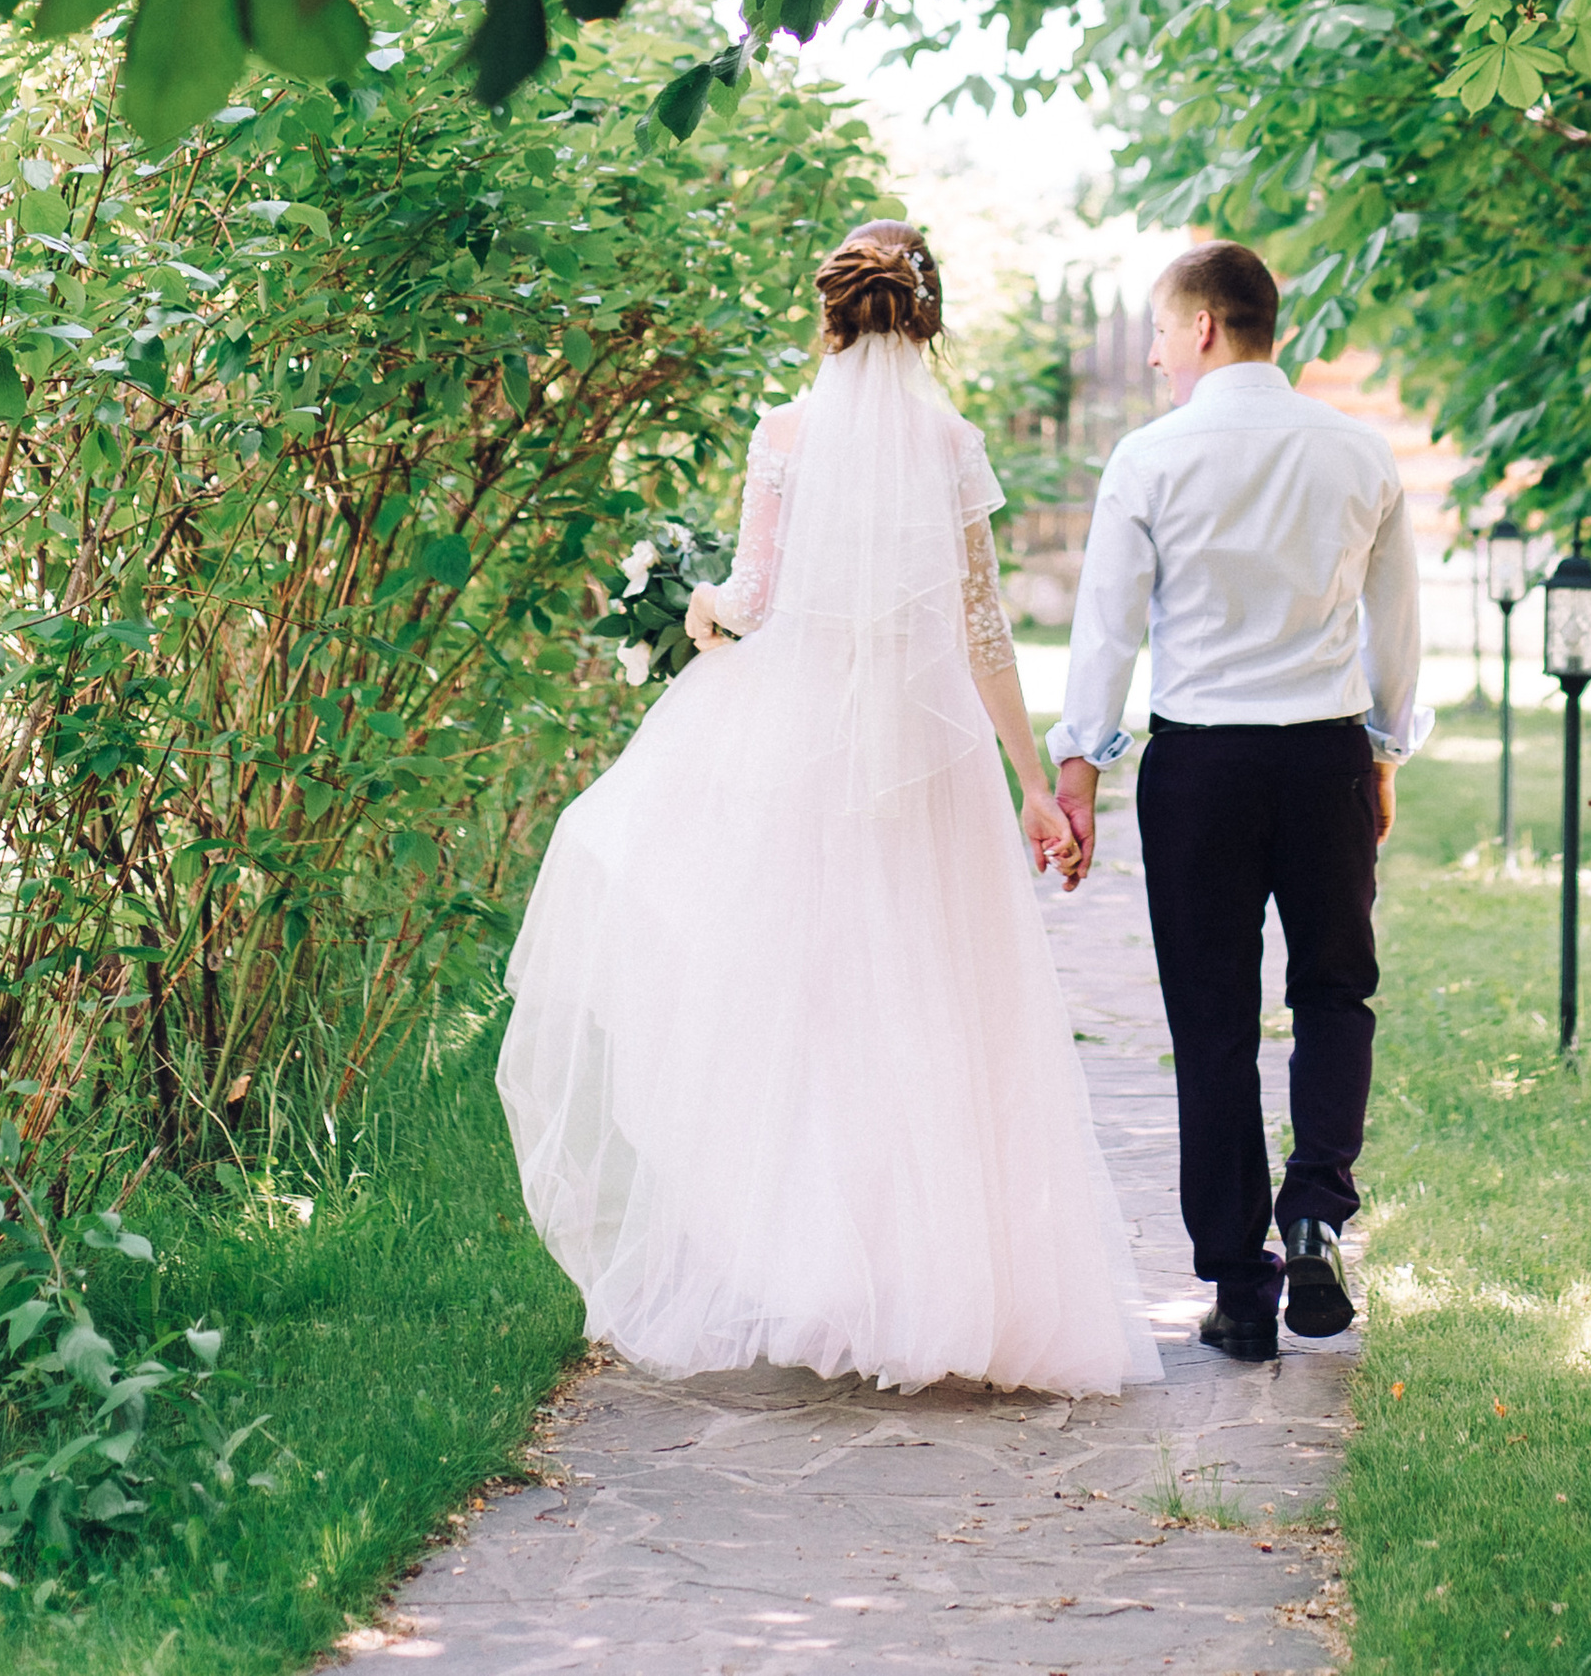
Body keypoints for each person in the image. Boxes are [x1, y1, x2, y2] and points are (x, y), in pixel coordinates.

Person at [497, 219, 1160, 1397]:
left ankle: (824, 1273)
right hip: (929, 760)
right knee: (935, 1000)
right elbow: (984, 628)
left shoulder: (785, 433)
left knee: (809, 1000)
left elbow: (755, 594)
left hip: (804, 752)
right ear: (927, 316)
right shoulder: (951, 444)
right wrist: (1029, 780)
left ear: (831, 315)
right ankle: (936, 1282)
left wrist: (696, 605)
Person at [1051, 242, 1426, 1363]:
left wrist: (1080, 766)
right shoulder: (1358, 452)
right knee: (1334, 991)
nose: (1156, 354)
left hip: (1202, 769)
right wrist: (1384, 751)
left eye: (1162, 332)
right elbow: (1394, 626)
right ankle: (1315, 1212)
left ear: (1205, 327)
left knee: (1211, 1022)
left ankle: (1240, 1285)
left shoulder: (1149, 457)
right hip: (1323, 760)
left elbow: (1107, 625)